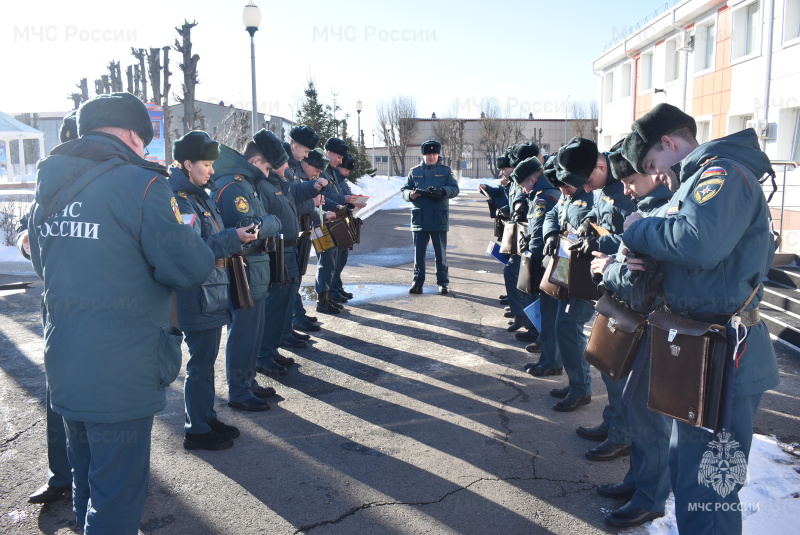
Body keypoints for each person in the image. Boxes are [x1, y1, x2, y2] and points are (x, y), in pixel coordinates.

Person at [27, 92, 214, 533]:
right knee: (118, 497)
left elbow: (43, 263)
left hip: (66, 365)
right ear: (133, 136)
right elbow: (190, 266)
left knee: (87, 482)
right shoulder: (143, 185)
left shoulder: (48, 189)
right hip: (122, 368)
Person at [620, 103, 779, 534]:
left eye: (653, 165)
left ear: (669, 143)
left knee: (709, 492)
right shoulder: (696, 180)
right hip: (700, 353)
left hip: (725, 355)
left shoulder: (720, 174)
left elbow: (697, 242)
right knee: (690, 475)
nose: (656, 178)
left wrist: (637, 228)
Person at [589, 151, 674, 528]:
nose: (625, 189)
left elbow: (644, 291)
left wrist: (610, 270)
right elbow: (634, 270)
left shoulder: (659, 215)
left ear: (654, 175)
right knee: (639, 414)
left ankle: (651, 497)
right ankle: (637, 481)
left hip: (658, 328)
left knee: (652, 424)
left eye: (631, 181)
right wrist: (621, 265)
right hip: (646, 329)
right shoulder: (646, 212)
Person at [169, 131, 259, 450]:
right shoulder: (179, 199)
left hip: (211, 291)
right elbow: (192, 249)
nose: (210, 170)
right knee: (199, 364)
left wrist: (234, 236)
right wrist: (234, 237)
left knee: (206, 362)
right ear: (187, 163)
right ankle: (196, 428)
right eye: (206, 164)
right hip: (196, 294)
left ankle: (206, 416)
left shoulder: (199, 195)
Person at [558, 137, 636, 461]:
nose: (587, 190)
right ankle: (611, 423)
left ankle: (622, 435)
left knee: (618, 367)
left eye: (589, 181)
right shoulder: (603, 188)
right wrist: (586, 233)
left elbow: (637, 235)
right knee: (607, 364)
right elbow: (597, 223)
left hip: (629, 286)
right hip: (608, 282)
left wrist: (601, 242)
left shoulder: (628, 190)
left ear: (602, 166)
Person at [18, 112, 77, 505]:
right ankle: (61, 474)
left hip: (106, 310)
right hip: (59, 307)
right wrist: (26, 236)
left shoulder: (119, 181)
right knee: (60, 395)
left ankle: (103, 473)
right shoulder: (54, 181)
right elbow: (28, 228)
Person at [213, 131, 282, 412]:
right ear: (255, 160)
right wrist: (272, 221)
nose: (267, 174)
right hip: (243, 270)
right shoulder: (233, 186)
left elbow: (259, 221)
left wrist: (267, 221)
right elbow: (249, 228)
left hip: (256, 268)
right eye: (266, 167)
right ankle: (239, 390)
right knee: (242, 333)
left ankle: (248, 381)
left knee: (253, 332)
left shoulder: (247, 184)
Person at [255, 130, 327, 376]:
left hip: (288, 248)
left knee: (283, 303)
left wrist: (313, 186)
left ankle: (271, 349)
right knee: (274, 306)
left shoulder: (277, 182)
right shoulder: (263, 184)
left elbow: (294, 194)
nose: (288, 165)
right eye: (283, 162)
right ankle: (264, 355)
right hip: (276, 251)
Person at [541, 150, 595, 412]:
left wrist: (589, 225)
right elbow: (552, 214)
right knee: (564, 325)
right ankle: (577, 382)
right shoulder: (567, 194)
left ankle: (581, 388)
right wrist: (550, 232)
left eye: (565, 184)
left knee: (570, 325)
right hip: (566, 267)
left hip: (586, 272)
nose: (562, 190)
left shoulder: (592, 193)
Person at [513, 156, 560, 370]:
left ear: (532, 180)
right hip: (544, 259)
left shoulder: (545, 197)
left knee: (551, 317)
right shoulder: (540, 194)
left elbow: (540, 233)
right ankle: (547, 358)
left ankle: (550, 360)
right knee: (548, 314)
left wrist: (531, 254)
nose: (523, 190)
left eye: (523, 185)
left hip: (544, 262)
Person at [400, 140, 460, 294]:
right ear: (423, 155)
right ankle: (417, 282)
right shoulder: (414, 171)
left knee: (441, 254)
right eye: (428, 154)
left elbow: (455, 188)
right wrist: (410, 195)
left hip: (438, 217)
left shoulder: (446, 171)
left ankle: (443, 283)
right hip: (419, 218)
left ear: (438, 154)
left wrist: (443, 191)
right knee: (418, 254)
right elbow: (404, 190)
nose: (431, 156)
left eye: (434, 154)